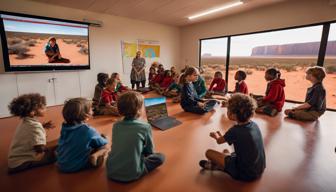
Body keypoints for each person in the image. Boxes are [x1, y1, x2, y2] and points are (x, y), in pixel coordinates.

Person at [199, 93, 266, 182]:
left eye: (228, 110)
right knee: (226, 152)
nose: (227, 112)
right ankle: (222, 166)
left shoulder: (235, 130)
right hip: (259, 168)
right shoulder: (254, 125)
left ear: (233, 115)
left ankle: (221, 168)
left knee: (209, 153)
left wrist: (216, 136)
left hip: (245, 174)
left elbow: (219, 141)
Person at [106, 91, 165, 182]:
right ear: (138, 110)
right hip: (133, 173)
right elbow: (150, 152)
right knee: (160, 157)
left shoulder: (116, 125)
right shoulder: (145, 126)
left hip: (111, 171)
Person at [7, 93, 57, 174]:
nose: (45, 108)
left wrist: (42, 126)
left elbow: (30, 130)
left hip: (13, 161)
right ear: (32, 112)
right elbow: (39, 148)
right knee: (55, 153)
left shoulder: (25, 121)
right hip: (21, 164)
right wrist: (54, 146)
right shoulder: (35, 127)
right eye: (43, 107)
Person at [57, 98, 109, 173]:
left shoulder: (64, 126)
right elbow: (102, 142)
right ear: (85, 114)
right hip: (75, 167)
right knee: (105, 146)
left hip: (61, 165)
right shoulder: (88, 130)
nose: (92, 109)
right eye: (90, 109)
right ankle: (95, 155)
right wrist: (106, 138)